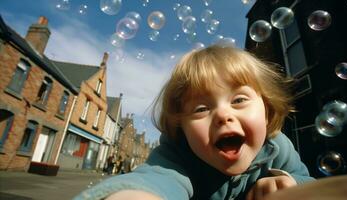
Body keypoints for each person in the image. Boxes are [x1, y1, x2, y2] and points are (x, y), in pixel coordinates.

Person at [74, 46, 314, 200]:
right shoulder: (178, 155)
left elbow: (310, 184)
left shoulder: (278, 148)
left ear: (267, 109)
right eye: (201, 108)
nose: (222, 115)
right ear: (182, 127)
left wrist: (292, 183)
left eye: (239, 99)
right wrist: (132, 194)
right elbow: (157, 179)